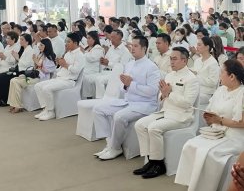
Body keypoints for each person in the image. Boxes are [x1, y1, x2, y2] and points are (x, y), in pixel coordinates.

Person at [175, 59, 244, 191]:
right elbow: (211, 109)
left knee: (209, 154)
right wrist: (209, 117)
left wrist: (220, 120)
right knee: (190, 145)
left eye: (221, 73)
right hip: (216, 131)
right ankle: (193, 184)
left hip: (235, 135)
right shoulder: (220, 90)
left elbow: (242, 122)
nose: (219, 76)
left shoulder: (242, 93)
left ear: (232, 76)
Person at [134, 47, 199, 179]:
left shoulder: (191, 79)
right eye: (170, 58)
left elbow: (187, 103)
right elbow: (161, 96)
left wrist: (169, 93)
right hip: (166, 112)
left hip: (181, 116)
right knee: (140, 124)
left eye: (174, 59)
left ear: (185, 60)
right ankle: (150, 160)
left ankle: (159, 164)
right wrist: (163, 95)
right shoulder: (169, 75)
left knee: (153, 128)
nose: (171, 61)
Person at [93, 36, 161, 160]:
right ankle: (110, 143)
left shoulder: (151, 67)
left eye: (136, 46)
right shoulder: (129, 64)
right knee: (98, 109)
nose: (132, 48)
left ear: (144, 48)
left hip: (145, 105)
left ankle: (115, 148)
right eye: (131, 46)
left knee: (119, 116)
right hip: (128, 101)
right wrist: (125, 85)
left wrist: (131, 84)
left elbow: (153, 91)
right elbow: (122, 87)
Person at [34, 33, 85, 121]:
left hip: (69, 81)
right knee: (37, 86)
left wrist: (65, 65)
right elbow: (61, 68)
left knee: (46, 89)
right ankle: (46, 108)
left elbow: (76, 71)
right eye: (66, 41)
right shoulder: (68, 53)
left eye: (68, 42)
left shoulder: (80, 55)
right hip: (60, 78)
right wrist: (57, 66)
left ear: (76, 43)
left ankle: (51, 112)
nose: (66, 44)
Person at [7, 38, 56, 113]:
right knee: (13, 80)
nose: (39, 47)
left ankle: (17, 106)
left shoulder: (50, 58)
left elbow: (48, 71)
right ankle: (13, 104)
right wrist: (35, 63)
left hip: (40, 78)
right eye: (39, 45)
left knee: (16, 82)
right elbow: (35, 67)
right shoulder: (41, 54)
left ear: (46, 46)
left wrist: (37, 62)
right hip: (34, 75)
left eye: (41, 45)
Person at [0, 34, 34, 107]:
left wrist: (17, 58)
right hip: (16, 69)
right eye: (20, 39)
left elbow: (27, 65)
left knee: (1, 78)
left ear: (27, 41)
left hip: (23, 72)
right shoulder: (23, 49)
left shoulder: (30, 50)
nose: (20, 41)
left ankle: (2, 100)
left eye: (22, 40)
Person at [95, 30, 132, 98]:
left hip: (116, 74)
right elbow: (106, 60)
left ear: (120, 38)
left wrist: (108, 63)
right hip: (106, 71)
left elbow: (122, 67)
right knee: (95, 78)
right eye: (111, 37)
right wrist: (103, 61)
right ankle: (100, 98)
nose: (111, 40)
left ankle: (102, 99)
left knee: (99, 80)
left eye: (113, 37)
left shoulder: (125, 51)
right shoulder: (111, 48)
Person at [192, 36, 220, 104]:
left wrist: (196, 77)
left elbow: (213, 82)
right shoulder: (197, 61)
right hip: (195, 89)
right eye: (197, 45)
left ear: (207, 47)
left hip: (206, 94)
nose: (197, 47)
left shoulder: (213, 63)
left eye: (199, 45)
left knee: (190, 99)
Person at [81, 31, 104, 98]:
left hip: (92, 72)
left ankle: (89, 97)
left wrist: (84, 53)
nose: (87, 40)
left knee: (84, 78)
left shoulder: (98, 48)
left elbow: (92, 58)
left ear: (94, 39)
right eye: (87, 38)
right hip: (85, 69)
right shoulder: (87, 47)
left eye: (89, 38)